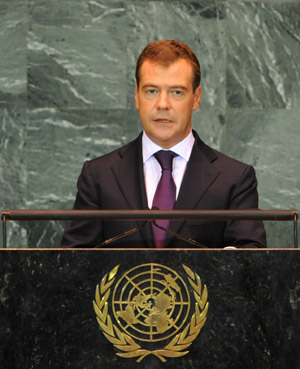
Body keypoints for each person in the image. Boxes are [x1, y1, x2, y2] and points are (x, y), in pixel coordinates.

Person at [61, 40, 266, 248]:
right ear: (137, 96)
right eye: (151, 91)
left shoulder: (235, 179)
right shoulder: (98, 176)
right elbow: (73, 261)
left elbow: (251, 258)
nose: (162, 104)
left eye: (177, 92)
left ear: (196, 98)